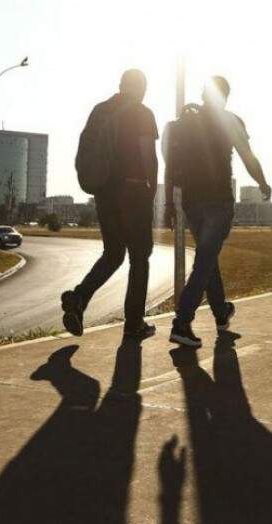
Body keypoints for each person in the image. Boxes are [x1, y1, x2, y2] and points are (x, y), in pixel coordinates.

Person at [164, 76, 271, 348]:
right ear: (226, 96)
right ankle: (182, 321)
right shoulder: (230, 121)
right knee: (204, 261)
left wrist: (168, 205)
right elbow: (247, 156)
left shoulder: (186, 123)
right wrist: (262, 182)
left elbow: (169, 164)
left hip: (191, 203)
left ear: (203, 94)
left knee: (207, 259)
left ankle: (221, 313)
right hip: (217, 202)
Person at [61, 69, 159, 339]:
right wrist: (152, 192)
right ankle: (134, 323)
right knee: (140, 257)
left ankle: (79, 298)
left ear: (120, 86)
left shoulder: (100, 110)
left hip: (105, 193)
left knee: (113, 254)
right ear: (141, 88)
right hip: (134, 191)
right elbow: (149, 156)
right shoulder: (142, 112)